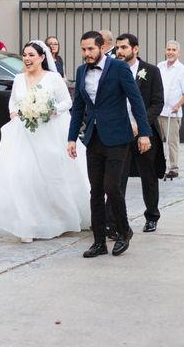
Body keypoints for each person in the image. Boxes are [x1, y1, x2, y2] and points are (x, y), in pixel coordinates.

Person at [0, 40, 90, 242]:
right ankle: (27, 224)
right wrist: (13, 112)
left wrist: (50, 110)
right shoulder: (19, 79)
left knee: (52, 177)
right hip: (24, 134)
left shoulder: (53, 78)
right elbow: (14, 101)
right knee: (21, 176)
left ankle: (61, 218)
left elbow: (67, 102)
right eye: (25, 55)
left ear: (41, 57)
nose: (27, 59)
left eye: (31, 55)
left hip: (50, 133)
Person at [68, 31, 152, 258]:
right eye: (83, 49)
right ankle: (98, 242)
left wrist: (144, 132)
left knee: (111, 187)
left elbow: (136, 100)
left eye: (91, 49)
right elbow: (78, 107)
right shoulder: (81, 70)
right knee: (95, 191)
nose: (87, 54)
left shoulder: (119, 68)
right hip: (93, 138)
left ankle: (124, 231)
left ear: (102, 48)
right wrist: (71, 138)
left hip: (117, 137)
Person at [106, 33, 165, 235]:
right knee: (117, 177)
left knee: (148, 176)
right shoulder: (112, 70)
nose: (119, 52)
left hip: (145, 133)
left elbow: (158, 103)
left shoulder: (151, 71)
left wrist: (140, 127)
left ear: (135, 48)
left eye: (124, 47)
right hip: (120, 132)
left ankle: (151, 216)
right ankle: (112, 222)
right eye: (118, 48)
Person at [157, 40, 184, 180]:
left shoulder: (182, 69)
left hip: (172, 113)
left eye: (173, 50)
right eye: (168, 49)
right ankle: (157, 166)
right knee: (157, 142)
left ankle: (173, 168)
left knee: (172, 142)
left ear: (178, 53)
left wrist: (177, 106)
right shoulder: (160, 66)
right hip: (159, 111)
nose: (170, 52)